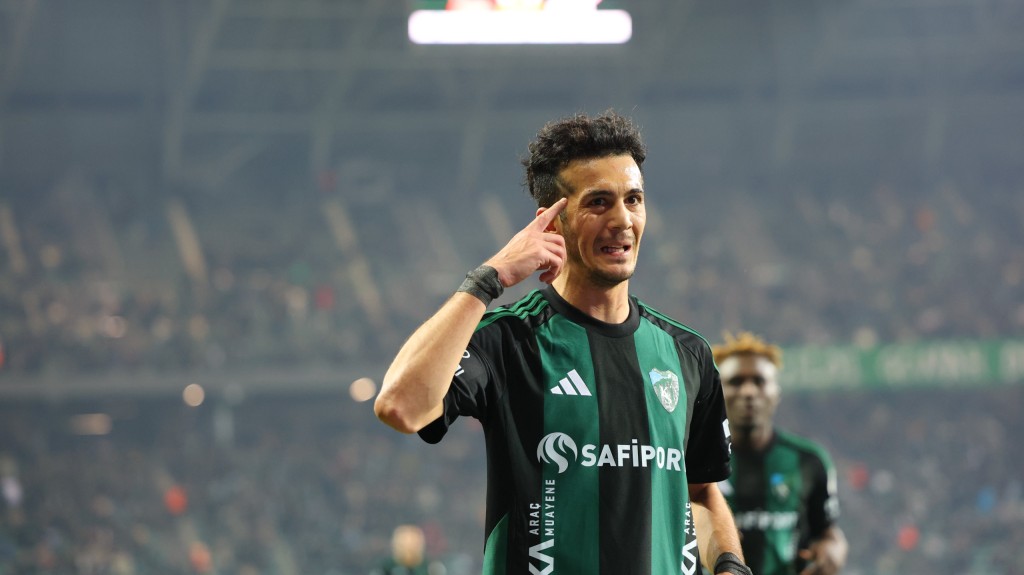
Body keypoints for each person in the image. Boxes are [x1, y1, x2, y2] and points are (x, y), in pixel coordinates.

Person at [375, 110, 752, 575]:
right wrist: (488, 279)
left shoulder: (687, 353)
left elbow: (699, 490)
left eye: (633, 199)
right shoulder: (508, 340)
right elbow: (400, 406)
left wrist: (731, 565)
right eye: (599, 202)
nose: (622, 220)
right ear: (552, 223)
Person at [711, 332, 848, 575]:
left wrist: (831, 554)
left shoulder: (809, 461)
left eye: (759, 381)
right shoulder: (693, 458)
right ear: (716, 392)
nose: (748, 391)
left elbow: (828, 533)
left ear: (776, 393)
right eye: (736, 382)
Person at [370, 524, 446, 575]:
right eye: (403, 544)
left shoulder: (432, 569)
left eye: (413, 543)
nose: (408, 548)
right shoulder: (385, 568)